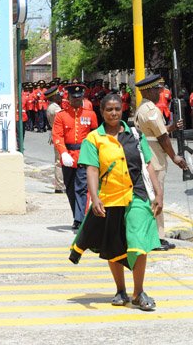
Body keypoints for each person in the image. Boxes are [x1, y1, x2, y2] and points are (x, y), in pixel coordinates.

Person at [69, 93, 161, 311]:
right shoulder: (94, 139)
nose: (113, 113)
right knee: (115, 244)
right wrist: (95, 197)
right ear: (102, 112)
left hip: (137, 195)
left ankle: (138, 292)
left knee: (138, 241)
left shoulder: (136, 135)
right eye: (109, 109)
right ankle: (120, 289)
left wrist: (158, 192)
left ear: (123, 110)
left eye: (117, 109)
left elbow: (148, 164)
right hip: (110, 197)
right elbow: (91, 169)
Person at [134, 74, 188, 251]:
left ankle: (158, 236)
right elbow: (162, 137)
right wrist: (175, 157)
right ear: (149, 91)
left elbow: (159, 131)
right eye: (158, 89)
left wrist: (171, 127)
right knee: (156, 197)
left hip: (150, 152)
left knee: (153, 196)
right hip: (154, 156)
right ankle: (156, 238)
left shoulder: (145, 108)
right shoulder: (151, 110)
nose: (161, 92)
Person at [53, 84, 99, 229]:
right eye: (74, 98)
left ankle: (81, 219)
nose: (77, 101)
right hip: (68, 155)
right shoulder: (61, 115)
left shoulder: (90, 114)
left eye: (80, 98)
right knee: (70, 189)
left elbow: (95, 133)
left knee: (82, 188)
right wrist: (63, 152)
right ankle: (77, 216)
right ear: (69, 98)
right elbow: (57, 135)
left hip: (84, 155)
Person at [45, 86, 65, 194]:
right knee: (59, 162)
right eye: (58, 95)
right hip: (59, 135)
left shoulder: (53, 106)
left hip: (56, 134)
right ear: (54, 96)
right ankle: (59, 186)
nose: (60, 96)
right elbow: (63, 120)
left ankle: (60, 185)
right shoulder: (55, 108)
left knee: (60, 161)